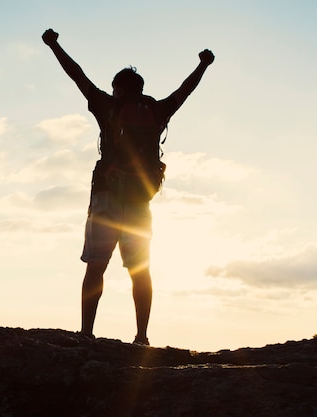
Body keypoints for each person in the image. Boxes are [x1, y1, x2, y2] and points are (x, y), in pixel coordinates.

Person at [42, 28, 214, 346]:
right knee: (140, 271)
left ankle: (86, 334)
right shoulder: (157, 111)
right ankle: (142, 337)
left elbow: (76, 75)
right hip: (139, 202)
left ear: (118, 89)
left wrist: (55, 46)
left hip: (106, 197)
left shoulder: (108, 106)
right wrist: (203, 65)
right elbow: (184, 91)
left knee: (96, 266)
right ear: (141, 89)